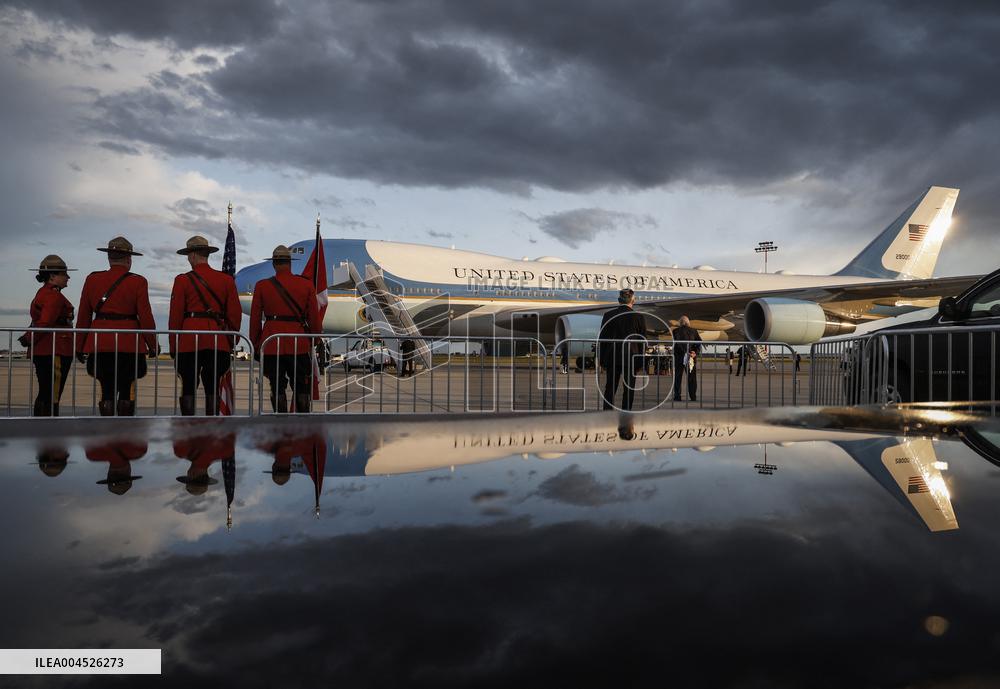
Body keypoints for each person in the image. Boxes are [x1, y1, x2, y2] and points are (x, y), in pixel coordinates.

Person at [76, 237, 157, 416]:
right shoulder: (138, 281)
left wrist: (79, 345)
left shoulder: (92, 279)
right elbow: (145, 316)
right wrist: (152, 344)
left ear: (109, 258)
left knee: (106, 389)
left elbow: (83, 315)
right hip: (129, 343)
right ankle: (123, 431)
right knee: (127, 389)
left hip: (100, 342)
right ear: (129, 259)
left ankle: (107, 430)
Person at [168, 235, 242, 416]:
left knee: (188, 385)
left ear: (193, 255)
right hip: (217, 339)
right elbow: (235, 313)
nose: (188, 259)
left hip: (189, 339)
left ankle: (188, 424)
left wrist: (173, 344)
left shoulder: (182, 280)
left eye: (188, 255)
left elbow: (175, 316)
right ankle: (212, 422)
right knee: (213, 385)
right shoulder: (225, 280)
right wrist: (232, 339)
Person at [249, 246, 321, 413]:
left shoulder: (262, 286)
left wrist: (256, 344)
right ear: (290, 263)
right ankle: (303, 423)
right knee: (301, 385)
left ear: (274, 263)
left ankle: (281, 422)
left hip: (272, 342)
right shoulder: (306, 285)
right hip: (299, 343)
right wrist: (314, 340)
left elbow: (255, 320)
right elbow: (314, 319)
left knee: (276, 385)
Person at [21, 255, 76, 416]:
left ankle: (42, 425)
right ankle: (49, 427)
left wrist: (29, 339)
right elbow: (45, 322)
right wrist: (28, 338)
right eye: (64, 274)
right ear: (52, 276)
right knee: (52, 395)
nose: (68, 277)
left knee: (46, 392)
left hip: (45, 349)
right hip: (55, 349)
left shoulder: (44, 292)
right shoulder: (53, 296)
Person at [598, 288, 646, 411]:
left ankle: (607, 411)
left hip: (612, 357)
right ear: (633, 300)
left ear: (619, 300)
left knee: (610, 388)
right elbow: (642, 341)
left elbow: (602, 339)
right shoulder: (639, 317)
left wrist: (602, 360)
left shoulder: (608, 315)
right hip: (631, 357)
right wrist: (641, 361)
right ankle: (626, 412)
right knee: (629, 388)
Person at [672, 315, 702, 401]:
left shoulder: (675, 331)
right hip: (690, 357)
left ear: (680, 323)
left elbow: (675, 344)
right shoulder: (694, 331)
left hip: (679, 357)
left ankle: (677, 396)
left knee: (678, 377)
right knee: (692, 378)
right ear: (688, 322)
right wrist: (695, 352)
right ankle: (693, 396)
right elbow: (699, 342)